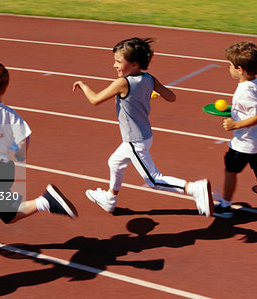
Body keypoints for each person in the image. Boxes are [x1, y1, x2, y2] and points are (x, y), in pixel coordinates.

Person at [73, 37, 213, 216]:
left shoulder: (123, 83)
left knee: (154, 180)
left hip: (135, 140)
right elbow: (171, 97)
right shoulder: (148, 78)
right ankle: (110, 198)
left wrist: (84, 86)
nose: (114, 65)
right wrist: (150, 90)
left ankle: (194, 188)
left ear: (134, 64)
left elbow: (95, 100)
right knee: (115, 162)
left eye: (118, 62)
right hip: (144, 135)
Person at [0, 61, 78, 253]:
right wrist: (19, 154)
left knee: (8, 215)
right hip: (4, 167)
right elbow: (24, 140)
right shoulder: (11, 115)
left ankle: (46, 201)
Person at [214, 41, 257, 218]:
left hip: (244, 144)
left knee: (230, 171)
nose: (228, 68)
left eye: (230, 65)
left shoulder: (244, 90)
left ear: (239, 69)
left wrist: (235, 124)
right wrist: (236, 111)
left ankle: (225, 206)